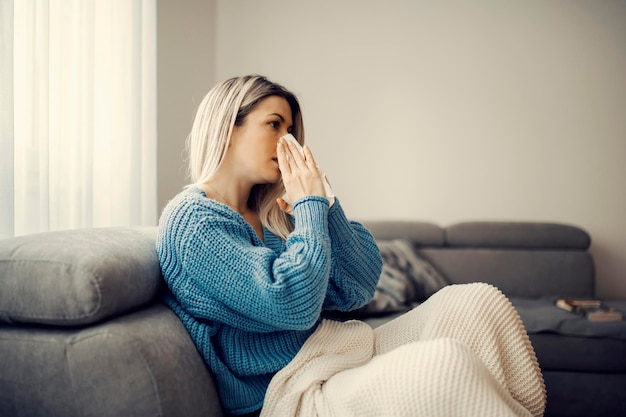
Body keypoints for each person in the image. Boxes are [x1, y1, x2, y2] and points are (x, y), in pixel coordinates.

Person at [157, 75, 546, 417]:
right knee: (443, 366)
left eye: (290, 128)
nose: (287, 140)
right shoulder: (194, 221)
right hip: (289, 393)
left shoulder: (274, 212)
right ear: (228, 129)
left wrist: (325, 203)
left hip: (334, 356)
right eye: (274, 125)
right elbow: (291, 302)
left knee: (476, 302)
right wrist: (309, 207)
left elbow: (358, 286)